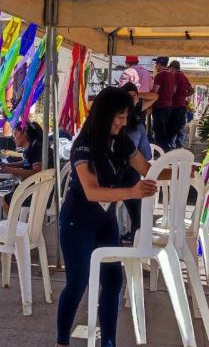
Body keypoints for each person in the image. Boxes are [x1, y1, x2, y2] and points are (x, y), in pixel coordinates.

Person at [56, 87, 159, 347]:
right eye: (120, 116)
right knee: (77, 283)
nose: (124, 122)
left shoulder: (122, 142)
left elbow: (148, 169)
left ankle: (108, 342)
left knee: (113, 281)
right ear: (105, 114)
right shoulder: (84, 146)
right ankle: (62, 341)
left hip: (105, 223)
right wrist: (132, 192)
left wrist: (182, 170)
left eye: (126, 117)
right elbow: (92, 192)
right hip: (77, 222)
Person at [119, 82, 157, 242]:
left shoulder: (135, 121)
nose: (121, 123)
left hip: (116, 176)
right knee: (137, 212)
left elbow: (155, 96)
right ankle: (136, 236)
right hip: (122, 176)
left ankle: (132, 234)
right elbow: (146, 155)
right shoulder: (136, 126)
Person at [0, 121, 53, 212]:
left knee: (7, 200)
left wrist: (11, 170)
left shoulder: (37, 148)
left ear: (24, 134)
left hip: (41, 192)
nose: (13, 138)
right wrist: (9, 165)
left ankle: (15, 221)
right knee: (9, 196)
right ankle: (18, 220)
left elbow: (36, 174)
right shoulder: (33, 147)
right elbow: (27, 163)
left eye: (15, 134)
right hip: (37, 188)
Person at [169, 60, 195, 149]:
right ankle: (180, 146)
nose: (169, 70)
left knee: (172, 126)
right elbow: (192, 90)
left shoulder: (174, 76)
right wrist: (184, 95)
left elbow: (173, 90)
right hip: (182, 105)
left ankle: (171, 147)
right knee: (180, 127)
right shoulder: (184, 77)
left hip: (174, 105)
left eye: (170, 68)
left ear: (173, 68)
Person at [151, 56, 175, 150]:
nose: (155, 66)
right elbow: (174, 90)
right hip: (169, 105)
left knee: (158, 130)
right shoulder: (171, 75)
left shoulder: (159, 75)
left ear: (160, 64)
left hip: (160, 105)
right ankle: (165, 148)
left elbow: (155, 92)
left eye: (156, 64)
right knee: (164, 128)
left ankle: (161, 149)